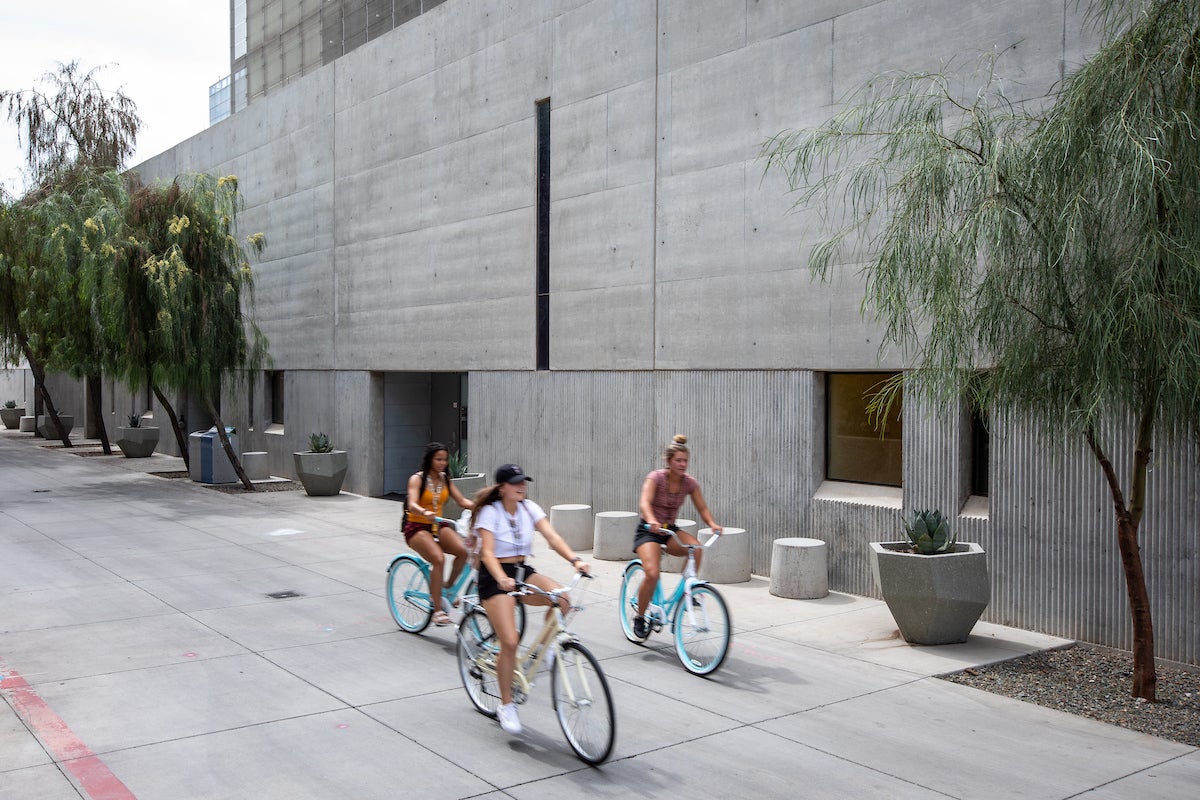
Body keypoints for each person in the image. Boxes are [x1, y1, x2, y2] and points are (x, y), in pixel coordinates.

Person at [473, 463, 590, 735]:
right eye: (515, 482)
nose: (521, 486)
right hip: (495, 578)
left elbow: (552, 536)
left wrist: (576, 560)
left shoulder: (529, 508)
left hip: (522, 572)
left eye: (523, 481)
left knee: (562, 600)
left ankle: (546, 651)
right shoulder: (490, 513)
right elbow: (488, 553)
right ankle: (506, 705)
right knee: (510, 641)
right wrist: (501, 577)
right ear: (502, 488)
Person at [632, 434, 722, 640]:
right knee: (652, 574)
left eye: (685, 461)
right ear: (669, 461)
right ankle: (639, 616)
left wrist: (713, 524)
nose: (683, 464)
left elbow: (702, 507)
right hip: (648, 530)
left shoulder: (689, 483)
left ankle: (686, 593)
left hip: (669, 530)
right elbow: (644, 503)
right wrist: (652, 520)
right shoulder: (655, 478)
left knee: (696, 549)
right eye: (678, 461)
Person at [404, 442, 475, 626]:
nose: (442, 463)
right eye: (438, 459)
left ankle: (448, 588)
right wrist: (423, 512)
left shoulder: (445, 480)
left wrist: (480, 505)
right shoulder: (417, 479)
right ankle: (437, 611)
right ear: (429, 459)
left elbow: (461, 501)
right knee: (438, 559)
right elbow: (412, 504)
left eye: (445, 459)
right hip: (417, 526)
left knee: (463, 552)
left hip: (438, 525)